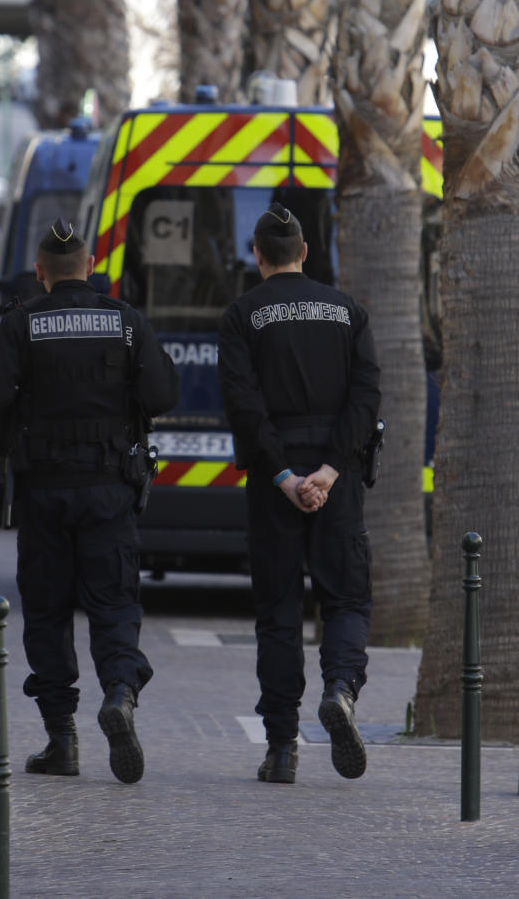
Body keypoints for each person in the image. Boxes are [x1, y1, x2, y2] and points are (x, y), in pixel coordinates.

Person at [0, 218, 180, 784]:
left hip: (43, 493)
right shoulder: (126, 322)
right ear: (90, 269)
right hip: (110, 489)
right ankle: (119, 692)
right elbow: (163, 394)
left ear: (41, 274)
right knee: (113, 604)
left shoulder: (21, 323)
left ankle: (61, 739)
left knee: (47, 613)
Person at [217, 204, 380, 786]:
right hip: (337, 482)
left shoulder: (242, 315)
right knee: (347, 601)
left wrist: (286, 476)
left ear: (257, 255)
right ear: (306, 252)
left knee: (278, 614)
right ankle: (340, 688)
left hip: (273, 480)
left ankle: (282, 749)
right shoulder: (347, 311)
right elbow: (366, 397)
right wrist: (332, 471)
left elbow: (244, 405)